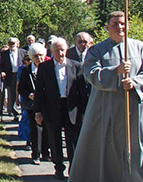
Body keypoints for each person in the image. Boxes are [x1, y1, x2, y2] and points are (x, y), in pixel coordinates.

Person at [70, 11, 143, 182]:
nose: (120, 27)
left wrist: (135, 82)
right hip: (106, 109)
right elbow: (91, 74)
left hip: (135, 109)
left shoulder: (141, 48)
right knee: (105, 149)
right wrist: (116, 71)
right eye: (115, 24)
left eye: (123, 24)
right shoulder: (96, 50)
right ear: (107, 27)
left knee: (137, 149)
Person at [33, 37, 88, 180]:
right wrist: (38, 112)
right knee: (55, 139)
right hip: (52, 108)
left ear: (67, 50)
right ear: (51, 51)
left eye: (62, 50)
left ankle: (73, 168)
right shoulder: (44, 68)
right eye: (57, 50)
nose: (60, 53)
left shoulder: (76, 66)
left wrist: (83, 112)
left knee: (72, 140)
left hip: (71, 108)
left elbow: (82, 92)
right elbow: (39, 91)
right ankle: (58, 167)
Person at [17, 43, 47, 165]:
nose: (39, 58)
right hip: (32, 104)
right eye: (36, 56)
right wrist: (29, 94)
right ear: (31, 56)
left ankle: (46, 152)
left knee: (47, 128)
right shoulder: (26, 71)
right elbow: (21, 89)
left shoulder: (48, 68)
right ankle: (36, 154)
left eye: (41, 55)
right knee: (35, 128)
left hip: (47, 103)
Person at [0, 37, 26, 121]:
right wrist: (2, 72)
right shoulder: (4, 54)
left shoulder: (23, 52)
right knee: (12, 95)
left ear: (17, 43)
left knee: (24, 93)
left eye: (13, 43)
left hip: (21, 75)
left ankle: (25, 112)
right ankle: (15, 114)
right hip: (10, 76)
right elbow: (1, 66)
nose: (11, 45)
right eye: (10, 43)